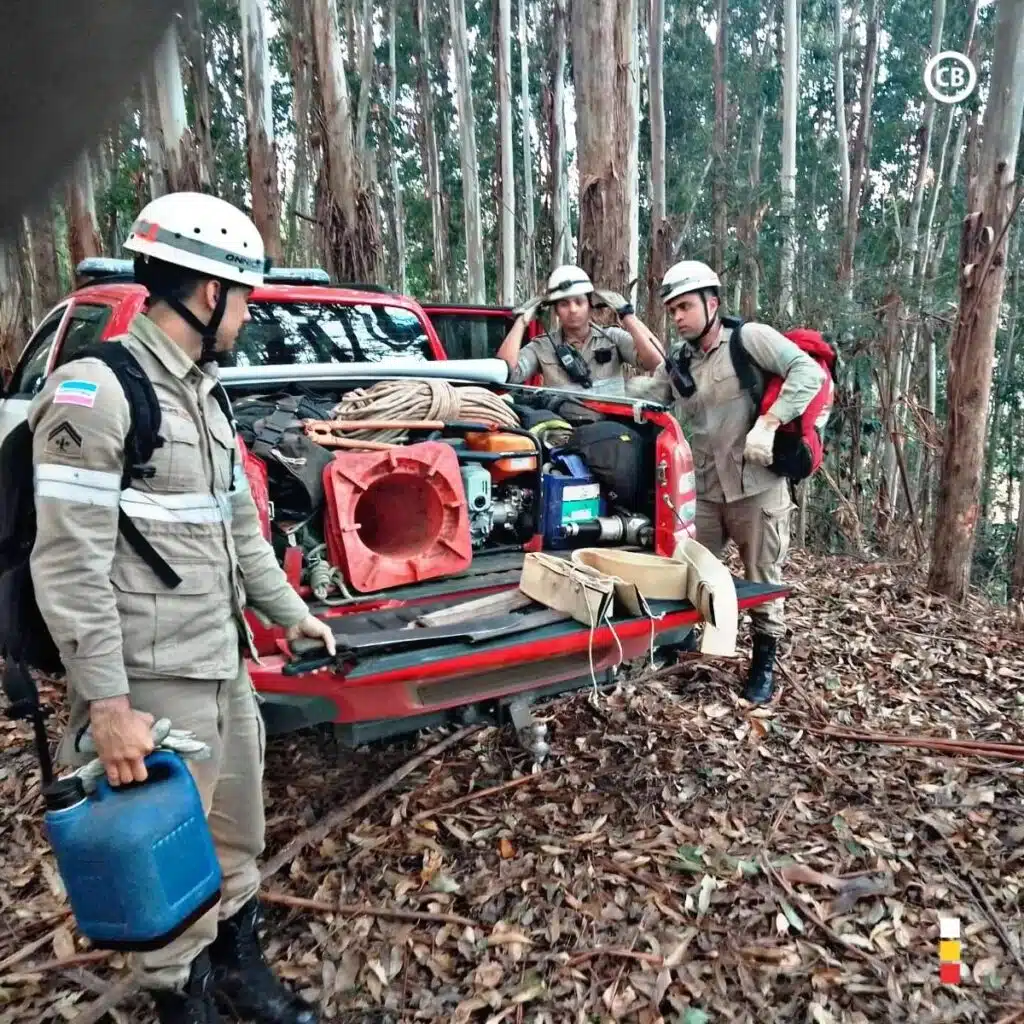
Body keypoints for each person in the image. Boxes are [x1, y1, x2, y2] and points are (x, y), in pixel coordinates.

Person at [27, 191, 337, 1024]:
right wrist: (110, 706)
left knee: (235, 835)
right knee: (167, 858)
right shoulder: (97, 392)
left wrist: (288, 613)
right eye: (243, 298)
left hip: (220, 659)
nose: (245, 316)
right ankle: (182, 1000)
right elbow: (68, 562)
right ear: (209, 294)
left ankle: (241, 978)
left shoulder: (206, 396)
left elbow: (239, 528)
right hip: (150, 684)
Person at [629, 260, 825, 703]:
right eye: (672, 309)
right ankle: (679, 641)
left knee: (762, 575)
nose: (677, 317)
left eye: (684, 306)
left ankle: (763, 660)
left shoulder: (749, 340)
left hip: (758, 489)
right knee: (690, 568)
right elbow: (650, 393)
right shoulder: (679, 361)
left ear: (711, 303)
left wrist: (771, 422)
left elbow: (807, 373)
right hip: (705, 491)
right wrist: (591, 389)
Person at [496, 264, 664, 389]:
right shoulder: (542, 346)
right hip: (561, 430)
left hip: (613, 428)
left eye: (579, 302)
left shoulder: (613, 338)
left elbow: (655, 361)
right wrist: (522, 321)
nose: (573, 310)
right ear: (555, 310)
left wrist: (627, 316)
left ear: (590, 305)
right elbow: (506, 372)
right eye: (564, 304)